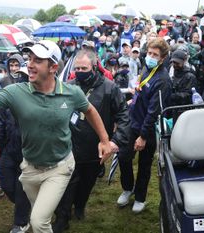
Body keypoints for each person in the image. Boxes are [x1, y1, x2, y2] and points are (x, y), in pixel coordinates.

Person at [0, 40, 114, 232]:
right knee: (37, 217)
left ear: (53, 67)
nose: (30, 64)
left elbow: (90, 110)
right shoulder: (16, 92)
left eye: (38, 60)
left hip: (60, 167)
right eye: (29, 58)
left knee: (39, 222)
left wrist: (105, 140)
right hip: (30, 168)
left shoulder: (71, 92)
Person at [52, 49, 129, 233]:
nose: (79, 71)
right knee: (67, 182)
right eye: (77, 68)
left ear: (94, 66)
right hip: (69, 146)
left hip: (96, 148)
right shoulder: (68, 86)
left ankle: (79, 205)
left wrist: (114, 141)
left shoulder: (110, 88)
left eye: (83, 68)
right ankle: (63, 217)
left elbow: (124, 116)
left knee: (87, 182)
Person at [117, 38, 172, 213]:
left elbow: (154, 111)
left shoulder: (163, 80)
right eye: (149, 53)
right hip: (132, 122)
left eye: (155, 55)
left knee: (144, 164)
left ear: (162, 58)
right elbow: (142, 89)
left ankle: (140, 197)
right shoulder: (147, 67)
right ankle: (128, 188)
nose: (150, 56)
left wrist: (143, 136)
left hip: (146, 128)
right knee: (123, 157)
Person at [0, 67, 31, 233]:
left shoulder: (39, 99)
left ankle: (21, 222)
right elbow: (0, 122)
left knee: (22, 187)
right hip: (9, 149)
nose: (22, 79)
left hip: (29, 152)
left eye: (25, 77)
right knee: (6, 183)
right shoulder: (10, 97)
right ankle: (26, 204)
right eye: (20, 76)